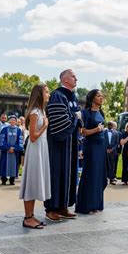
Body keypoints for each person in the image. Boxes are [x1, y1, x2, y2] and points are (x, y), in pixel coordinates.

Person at [44, 69, 81, 222]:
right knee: (57, 173)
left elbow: (78, 119)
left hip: (71, 143)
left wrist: (77, 118)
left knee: (69, 173)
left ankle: (63, 206)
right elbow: (59, 121)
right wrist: (75, 116)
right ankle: (51, 208)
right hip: (59, 143)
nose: (76, 79)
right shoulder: (57, 95)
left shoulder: (73, 97)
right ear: (65, 79)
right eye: (73, 76)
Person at [19, 84, 51, 229]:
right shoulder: (35, 113)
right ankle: (27, 217)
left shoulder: (41, 111)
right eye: (46, 92)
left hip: (41, 149)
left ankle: (31, 215)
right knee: (31, 182)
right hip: (35, 150)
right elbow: (32, 137)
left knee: (36, 181)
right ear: (39, 94)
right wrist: (45, 125)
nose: (49, 94)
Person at [75, 90, 107, 214]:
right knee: (90, 174)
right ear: (92, 98)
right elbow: (82, 131)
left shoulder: (101, 112)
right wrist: (97, 129)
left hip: (101, 146)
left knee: (99, 175)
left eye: (101, 95)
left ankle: (96, 204)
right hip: (91, 146)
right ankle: (86, 205)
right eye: (99, 96)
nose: (101, 97)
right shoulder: (85, 113)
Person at [0, 115, 23, 185]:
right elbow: (2, 141)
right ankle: (3, 179)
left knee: (13, 166)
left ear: (16, 121)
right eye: (11, 120)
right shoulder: (4, 129)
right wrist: (8, 148)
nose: (12, 121)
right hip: (6, 152)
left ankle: (12, 180)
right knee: (4, 165)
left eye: (14, 120)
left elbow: (20, 141)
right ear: (9, 121)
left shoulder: (19, 130)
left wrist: (14, 148)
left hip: (14, 152)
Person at [104, 121, 120, 185]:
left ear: (113, 126)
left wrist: (111, 149)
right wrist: (106, 149)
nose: (110, 126)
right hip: (105, 151)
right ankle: (105, 179)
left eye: (111, 125)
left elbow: (117, 143)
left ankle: (111, 179)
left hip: (113, 152)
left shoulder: (116, 133)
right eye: (109, 124)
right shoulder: (103, 132)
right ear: (107, 125)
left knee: (112, 166)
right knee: (105, 165)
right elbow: (102, 141)